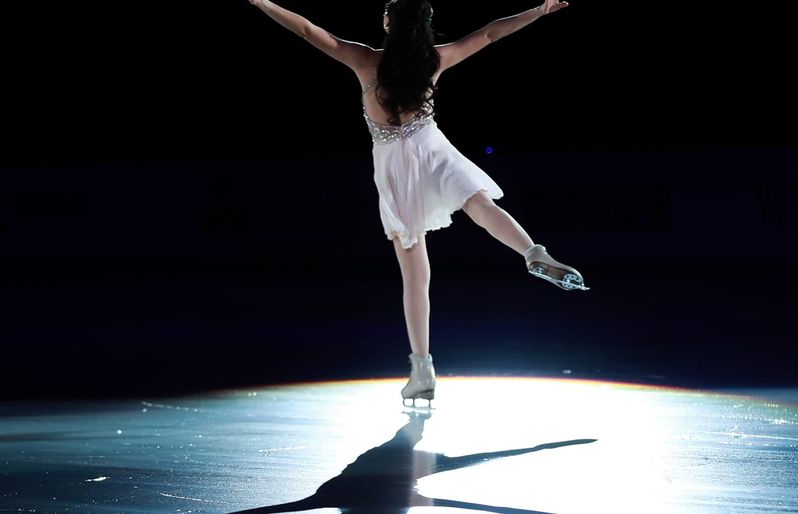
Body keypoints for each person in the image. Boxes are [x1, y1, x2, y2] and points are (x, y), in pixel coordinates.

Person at [247, 0, 588, 406]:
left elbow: (306, 29)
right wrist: (538, 11)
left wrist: (264, 3)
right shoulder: (434, 61)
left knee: (415, 277)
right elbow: (490, 32)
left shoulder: (364, 61)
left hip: (394, 166)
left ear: (387, 23)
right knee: (480, 206)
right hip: (432, 148)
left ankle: (422, 370)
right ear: (425, 26)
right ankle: (533, 252)